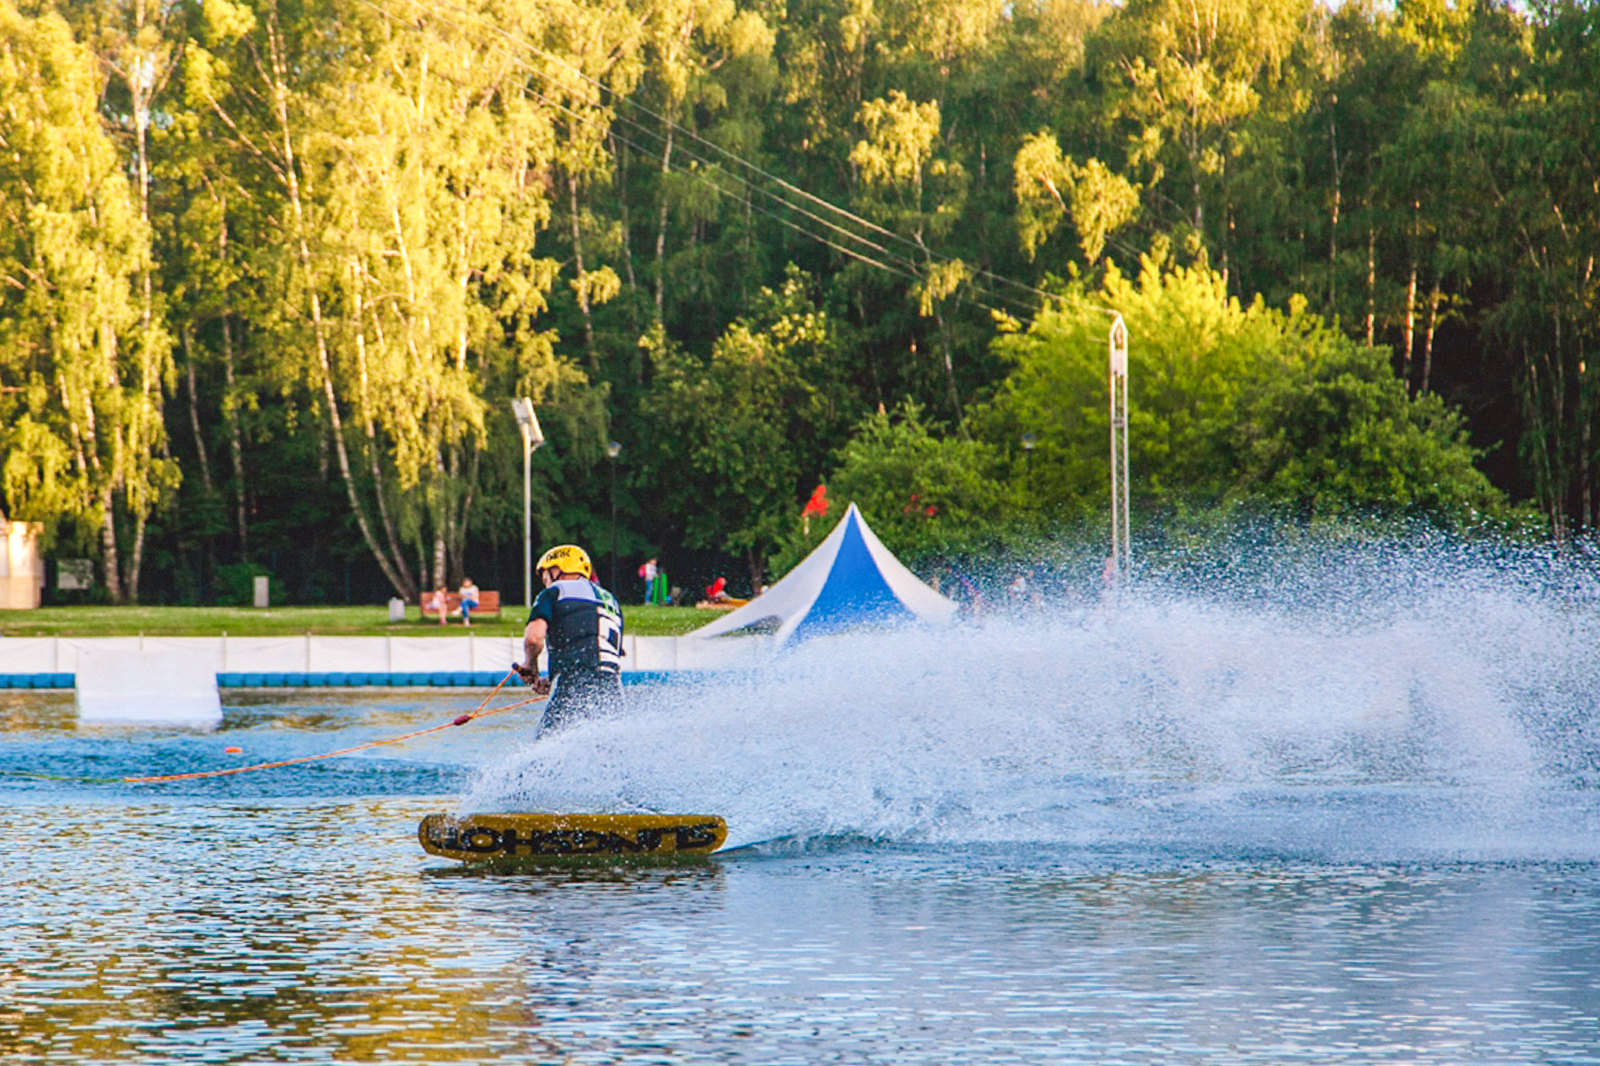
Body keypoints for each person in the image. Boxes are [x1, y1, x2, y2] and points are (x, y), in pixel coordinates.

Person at [516, 543, 624, 734]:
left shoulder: (554, 592)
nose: (544, 580)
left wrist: (529, 665)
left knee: (544, 757)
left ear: (559, 568)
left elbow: (533, 639)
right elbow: (601, 652)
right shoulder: (611, 601)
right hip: (612, 691)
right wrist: (553, 678)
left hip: (574, 686)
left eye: (545, 573)